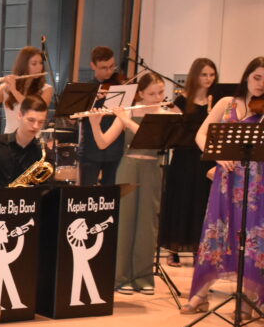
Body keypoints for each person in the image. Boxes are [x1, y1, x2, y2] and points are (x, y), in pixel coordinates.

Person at [181, 58, 264, 315]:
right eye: (257, 77)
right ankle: (200, 295)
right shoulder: (226, 103)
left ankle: (250, 300)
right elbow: (201, 134)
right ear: (247, 76)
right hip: (226, 180)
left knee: (252, 238)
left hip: (256, 184)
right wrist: (216, 155)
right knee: (216, 232)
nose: (261, 84)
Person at [87, 72, 174, 294]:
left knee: (147, 223)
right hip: (128, 167)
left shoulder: (166, 113)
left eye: (161, 92)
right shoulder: (127, 112)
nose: (158, 97)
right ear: (140, 94)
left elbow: (155, 139)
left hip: (153, 168)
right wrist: (95, 123)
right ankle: (120, 277)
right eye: (152, 93)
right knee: (124, 222)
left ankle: (143, 277)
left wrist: (127, 121)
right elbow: (103, 143)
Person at [159, 58, 218, 265]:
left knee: (201, 203)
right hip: (184, 158)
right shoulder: (182, 101)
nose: (208, 79)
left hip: (205, 158)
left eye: (212, 75)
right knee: (181, 201)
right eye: (204, 74)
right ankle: (173, 249)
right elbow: (173, 131)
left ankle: (196, 248)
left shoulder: (216, 102)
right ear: (195, 76)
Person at [78, 45, 125, 186]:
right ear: (93, 66)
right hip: (91, 149)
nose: (109, 71)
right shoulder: (86, 89)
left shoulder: (120, 86)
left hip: (115, 149)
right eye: (104, 68)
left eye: (112, 66)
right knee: (87, 194)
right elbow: (72, 117)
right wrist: (91, 100)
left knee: (111, 195)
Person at [0, 46, 53, 132]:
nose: (39, 67)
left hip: (32, 141)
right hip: (9, 141)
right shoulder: (5, 88)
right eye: (34, 64)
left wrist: (14, 90)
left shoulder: (46, 89)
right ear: (23, 65)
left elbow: (34, 110)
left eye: (41, 63)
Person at [0, 95, 50, 188]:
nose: (36, 126)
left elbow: (47, 188)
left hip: (29, 202)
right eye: (31, 120)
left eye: (41, 122)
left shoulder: (43, 151)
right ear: (20, 115)